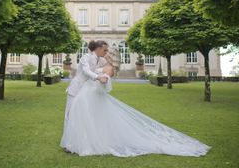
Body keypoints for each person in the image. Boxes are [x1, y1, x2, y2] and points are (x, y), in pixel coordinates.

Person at [60, 47, 211, 157]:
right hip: (86, 95)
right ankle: (76, 143)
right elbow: (91, 71)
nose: (105, 54)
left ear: (111, 58)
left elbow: (104, 82)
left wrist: (101, 80)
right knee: (86, 119)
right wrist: (97, 77)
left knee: (87, 119)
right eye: (105, 52)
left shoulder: (108, 68)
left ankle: (81, 144)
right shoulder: (99, 63)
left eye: (107, 53)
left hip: (91, 95)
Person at [62, 40, 108, 142]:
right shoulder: (85, 58)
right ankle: (68, 141)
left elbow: (106, 69)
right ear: (98, 49)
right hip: (76, 89)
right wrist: (98, 77)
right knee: (69, 114)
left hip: (87, 91)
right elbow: (86, 71)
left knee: (83, 114)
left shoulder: (101, 60)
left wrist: (105, 76)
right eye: (105, 50)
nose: (106, 52)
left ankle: (80, 139)